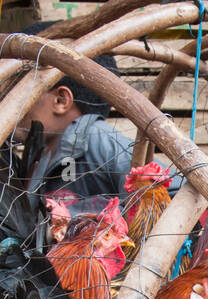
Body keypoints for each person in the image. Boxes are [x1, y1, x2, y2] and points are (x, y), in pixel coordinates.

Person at [13, 24, 133, 208]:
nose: (13, 108)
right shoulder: (39, 154)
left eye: (20, 95)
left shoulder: (98, 140)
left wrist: (99, 219)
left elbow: (169, 190)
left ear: (61, 100)